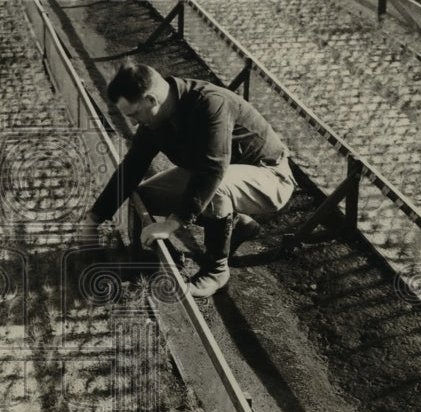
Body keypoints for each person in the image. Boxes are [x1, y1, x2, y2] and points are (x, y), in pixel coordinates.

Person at [80, 63, 296, 297]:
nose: (132, 122)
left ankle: (216, 270)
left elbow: (214, 170)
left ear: (151, 100)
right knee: (144, 196)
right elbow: (132, 167)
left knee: (216, 189)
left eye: (133, 114)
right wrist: (94, 218)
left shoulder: (209, 103)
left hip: (269, 175)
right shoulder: (155, 119)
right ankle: (156, 258)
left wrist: (171, 224)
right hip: (216, 171)